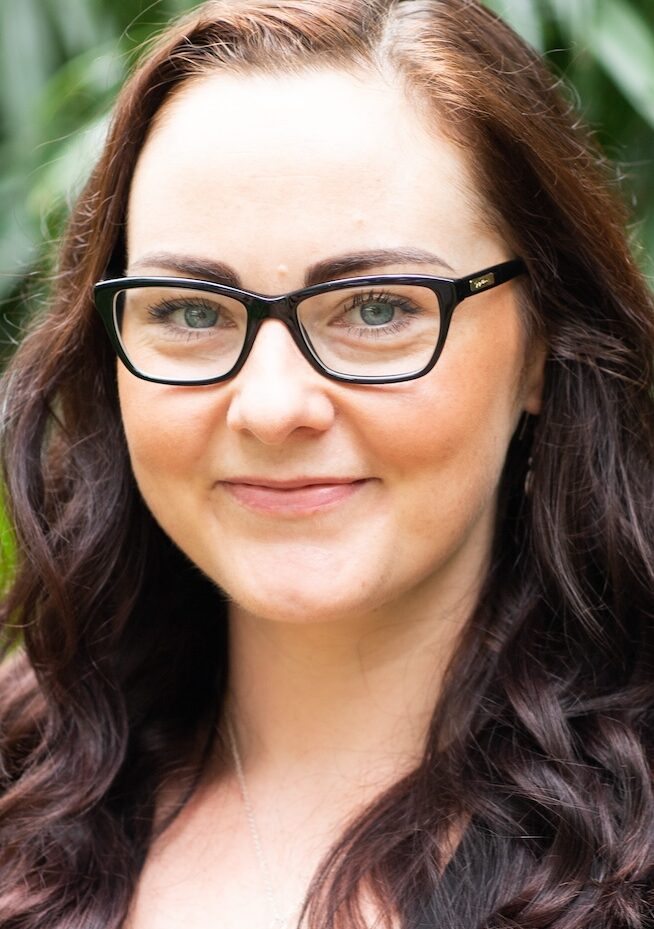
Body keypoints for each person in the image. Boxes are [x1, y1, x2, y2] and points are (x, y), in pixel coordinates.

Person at [1, 0, 653, 926]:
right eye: (190, 311)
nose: (272, 406)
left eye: (377, 308)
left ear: (542, 344)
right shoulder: (17, 788)